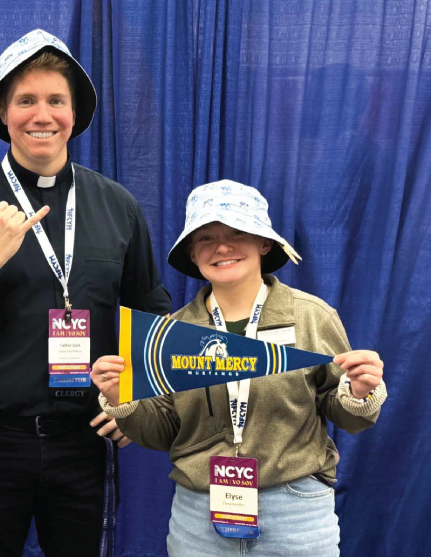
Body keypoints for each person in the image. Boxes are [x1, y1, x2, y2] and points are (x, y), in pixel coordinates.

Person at [0, 30, 172, 556]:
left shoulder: (116, 206)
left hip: (81, 441)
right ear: (4, 114)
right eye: (26, 100)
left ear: (74, 114)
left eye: (56, 100)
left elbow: (150, 315)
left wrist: (134, 400)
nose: (42, 115)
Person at [92, 180, 387, 557]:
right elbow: (163, 431)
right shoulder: (174, 333)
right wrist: (121, 398)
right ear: (193, 254)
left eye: (237, 233)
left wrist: (360, 393)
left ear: (265, 243)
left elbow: (347, 415)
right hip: (198, 520)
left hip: (295, 512)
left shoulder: (311, 316)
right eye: (205, 238)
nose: (222, 247)